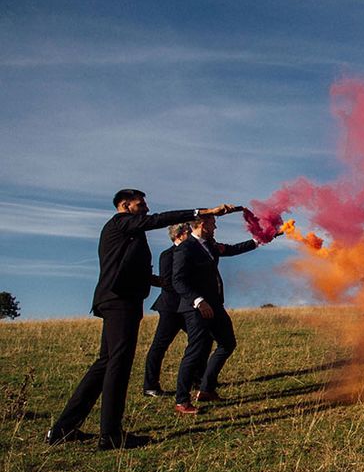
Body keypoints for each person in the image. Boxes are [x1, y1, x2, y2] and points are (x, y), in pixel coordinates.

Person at [46, 189, 238, 450]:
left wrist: (160, 282)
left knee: (105, 363)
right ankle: (111, 435)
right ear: (125, 205)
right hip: (120, 302)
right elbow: (158, 220)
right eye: (141, 204)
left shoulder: (127, 233)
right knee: (119, 364)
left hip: (118, 299)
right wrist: (204, 212)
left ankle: (63, 429)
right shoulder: (121, 223)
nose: (146, 208)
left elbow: (128, 267)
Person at [172, 214, 261, 414]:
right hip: (196, 308)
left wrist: (259, 240)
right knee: (195, 350)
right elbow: (178, 281)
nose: (216, 227)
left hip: (215, 305)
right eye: (213, 223)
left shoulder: (209, 245)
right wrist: (198, 300)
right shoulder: (185, 248)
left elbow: (232, 249)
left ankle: (207, 389)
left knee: (227, 343)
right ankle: (182, 401)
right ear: (203, 224)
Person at [142, 222, 191, 397]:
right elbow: (168, 282)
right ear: (179, 235)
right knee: (160, 346)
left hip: (187, 307)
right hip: (171, 307)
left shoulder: (190, 253)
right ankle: (150, 386)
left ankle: (199, 378)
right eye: (188, 232)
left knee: (200, 341)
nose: (191, 234)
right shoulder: (167, 255)